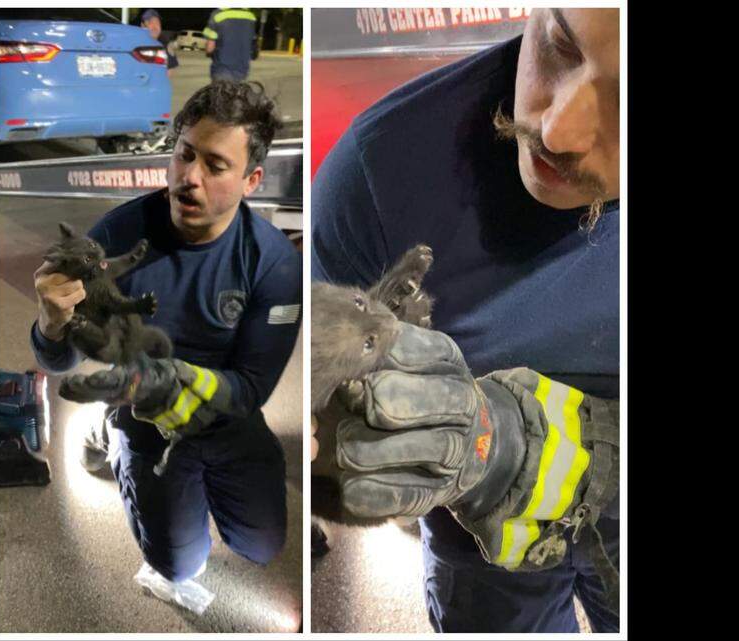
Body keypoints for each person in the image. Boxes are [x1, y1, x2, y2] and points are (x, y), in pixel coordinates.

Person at [311, 8, 620, 633]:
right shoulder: (379, 176)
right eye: (559, 44)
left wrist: (547, 447)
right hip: (486, 542)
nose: (557, 129)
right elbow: (325, 446)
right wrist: (340, 451)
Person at [32, 81, 301, 594]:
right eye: (184, 155)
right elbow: (59, 360)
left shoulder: (274, 265)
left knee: (261, 547)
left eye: (216, 166)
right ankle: (108, 431)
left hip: (224, 414)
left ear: (252, 179)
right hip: (141, 414)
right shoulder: (116, 237)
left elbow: (249, 390)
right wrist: (51, 320)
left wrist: (172, 377)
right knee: (179, 568)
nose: (189, 179)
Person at [203, 8, 257, 81]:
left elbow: (210, 48)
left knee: (221, 91)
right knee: (237, 91)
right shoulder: (250, 16)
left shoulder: (218, 15)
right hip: (242, 70)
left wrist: (208, 52)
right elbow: (252, 42)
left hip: (222, 69)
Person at [140, 9, 178, 79]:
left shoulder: (166, 44)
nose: (155, 27)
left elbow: (169, 71)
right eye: (150, 23)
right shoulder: (135, 42)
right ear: (142, 25)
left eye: (157, 23)